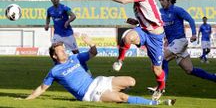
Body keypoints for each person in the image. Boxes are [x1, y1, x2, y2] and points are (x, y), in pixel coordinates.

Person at [25, 34, 176, 106]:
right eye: (60, 50)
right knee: (123, 97)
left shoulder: (74, 58)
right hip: (89, 93)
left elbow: (93, 53)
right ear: (54, 55)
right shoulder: (55, 71)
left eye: (63, 49)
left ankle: (113, 96)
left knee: (131, 81)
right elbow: (42, 88)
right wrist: (26, 99)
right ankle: (158, 103)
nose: (64, 51)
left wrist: (91, 43)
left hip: (98, 81)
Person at [96, 0, 165, 100]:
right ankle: (120, 60)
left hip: (156, 37)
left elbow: (123, 0)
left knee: (157, 69)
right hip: (144, 30)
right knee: (127, 37)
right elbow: (147, 16)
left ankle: (160, 88)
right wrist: (137, 22)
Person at [147, 0, 216, 92]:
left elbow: (190, 20)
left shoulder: (177, 10)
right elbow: (150, 23)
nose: (161, 2)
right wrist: (136, 22)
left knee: (162, 59)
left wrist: (193, 34)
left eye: (163, 0)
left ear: (169, 0)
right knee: (189, 70)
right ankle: (214, 78)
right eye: (160, 0)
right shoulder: (160, 13)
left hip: (180, 41)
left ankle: (161, 87)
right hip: (173, 44)